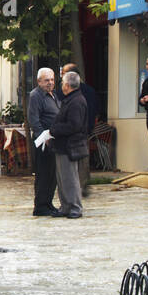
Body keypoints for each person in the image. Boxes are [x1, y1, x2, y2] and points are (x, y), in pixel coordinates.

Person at [48, 71, 90, 218]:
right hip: (63, 145)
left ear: (67, 85)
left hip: (69, 146)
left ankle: (75, 207)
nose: (61, 86)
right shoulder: (71, 99)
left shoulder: (76, 101)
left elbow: (74, 125)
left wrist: (54, 129)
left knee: (70, 178)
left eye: (62, 83)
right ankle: (65, 206)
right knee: (62, 179)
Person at [27, 67, 61, 217]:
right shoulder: (36, 96)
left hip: (54, 140)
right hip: (43, 142)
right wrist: (44, 137)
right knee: (43, 174)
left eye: (52, 79)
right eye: (47, 80)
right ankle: (40, 206)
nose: (50, 83)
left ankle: (48, 203)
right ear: (39, 81)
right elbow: (34, 120)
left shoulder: (53, 95)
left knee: (52, 174)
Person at [62, 63, 97, 196]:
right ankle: (83, 184)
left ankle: (77, 186)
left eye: (63, 73)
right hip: (84, 131)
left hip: (74, 131)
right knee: (82, 158)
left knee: (75, 159)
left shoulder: (70, 92)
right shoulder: (89, 90)